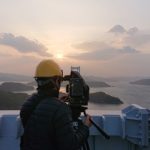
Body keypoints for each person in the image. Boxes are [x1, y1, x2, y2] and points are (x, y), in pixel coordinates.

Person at [20, 59, 92, 150]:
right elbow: (71, 145)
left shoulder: (28, 104)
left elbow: (41, 129)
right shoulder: (60, 109)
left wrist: (57, 103)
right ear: (56, 80)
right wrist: (85, 127)